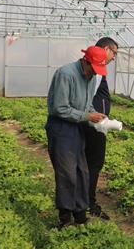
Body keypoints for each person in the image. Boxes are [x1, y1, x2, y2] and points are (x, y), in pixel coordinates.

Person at [46, 46, 108, 228]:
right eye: (93, 68)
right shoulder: (65, 74)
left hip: (77, 126)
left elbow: (87, 105)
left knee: (82, 171)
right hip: (61, 128)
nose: (95, 73)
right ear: (85, 61)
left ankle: (80, 214)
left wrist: (96, 116)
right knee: (67, 173)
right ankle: (65, 218)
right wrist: (87, 116)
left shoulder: (91, 77)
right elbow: (59, 108)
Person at [83, 37, 118, 220]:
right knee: (94, 163)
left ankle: (83, 201)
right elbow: (88, 96)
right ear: (105, 49)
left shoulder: (95, 68)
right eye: (114, 53)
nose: (114, 57)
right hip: (94, 124)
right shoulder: (96, 70)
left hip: (93, 122)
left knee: (90, 163)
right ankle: (88, 203)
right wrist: (93, 117)